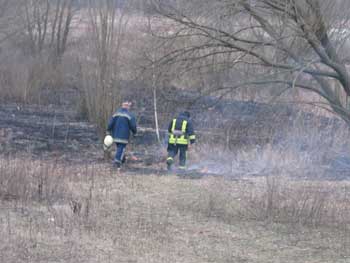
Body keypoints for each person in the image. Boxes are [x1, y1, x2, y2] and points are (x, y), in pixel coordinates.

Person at [106, 101, 137, 169]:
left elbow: (110, 123)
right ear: (127, 106)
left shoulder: (116, 114)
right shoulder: (129, 115)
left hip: (115, 134)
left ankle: (122, 160)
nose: (129, 107)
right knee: (121, 148)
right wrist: (135, 132)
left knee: (119, 148)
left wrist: (108, 130)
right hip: (124, 135)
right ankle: (117, 162)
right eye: (129, 106)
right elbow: (133, 125)